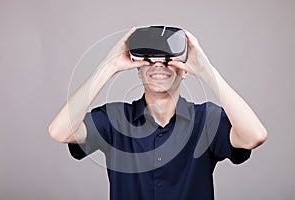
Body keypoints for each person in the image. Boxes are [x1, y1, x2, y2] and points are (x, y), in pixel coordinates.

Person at [48, 27, 267, 200]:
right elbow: (59, 131)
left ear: (184, 71)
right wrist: (109, 65)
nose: (158, 66)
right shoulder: (115, 119)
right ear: (139, 70)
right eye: (149, 59)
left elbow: (254, 136)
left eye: (168, 60)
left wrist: (205, 69)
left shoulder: (206, 119)